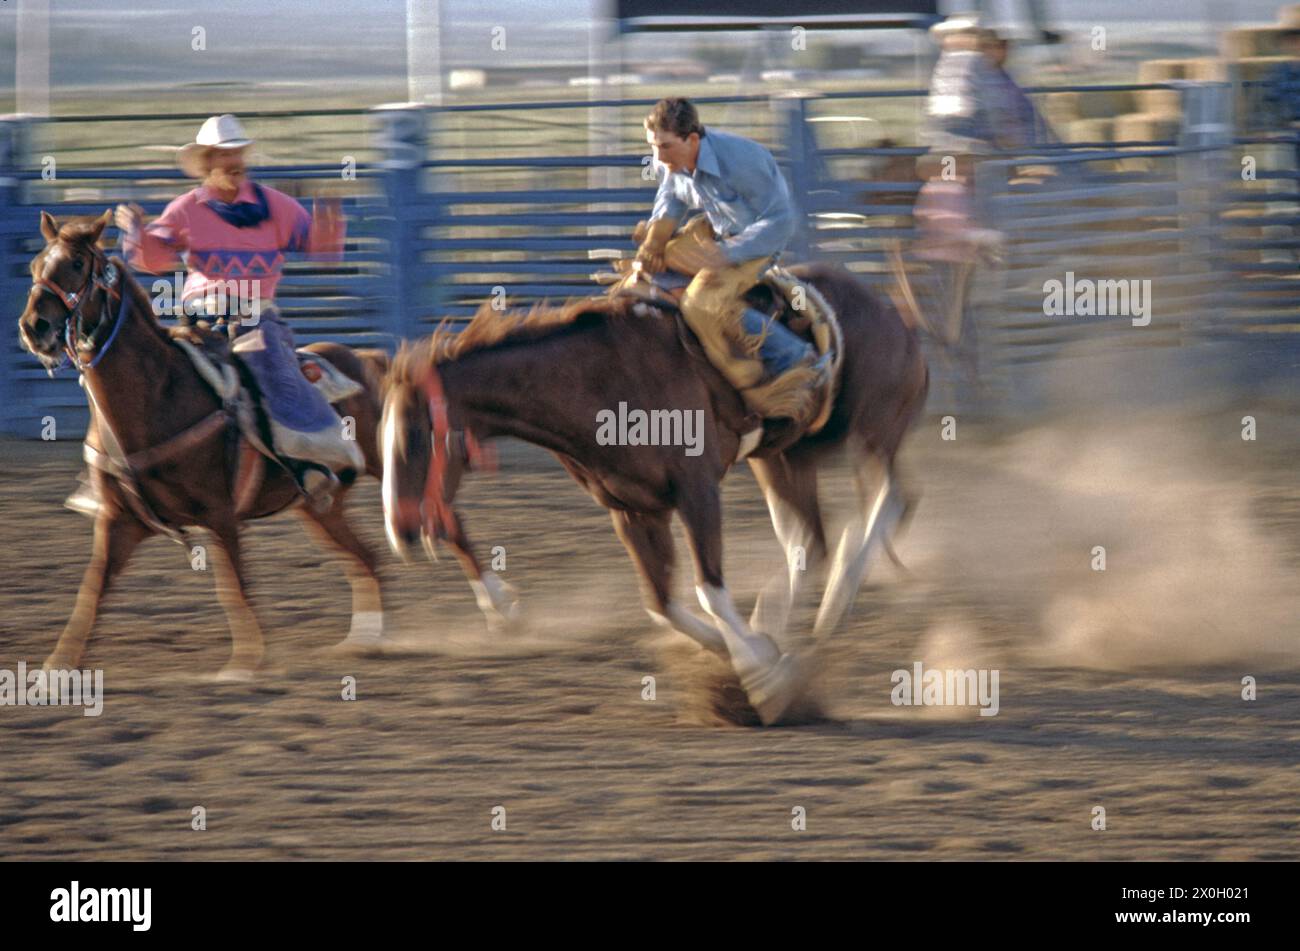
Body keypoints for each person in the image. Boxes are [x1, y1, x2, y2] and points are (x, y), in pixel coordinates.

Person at [68, 114, 359, 517]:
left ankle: (310, 458)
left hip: (255, 320)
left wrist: (330, 226)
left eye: (238, 153)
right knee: (136, 371)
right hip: (200, 322)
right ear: (207, 163)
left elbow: (323, 249)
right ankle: (107, 473)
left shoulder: (276, 206)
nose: (234, 161)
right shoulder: (187, 210)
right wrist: (137, 234)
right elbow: (154, 258)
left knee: (270, 369)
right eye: (224, 155)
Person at [635, 98, 829, 425]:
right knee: (639, 282)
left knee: (702, 302)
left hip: (757, 244)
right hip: (716, 236)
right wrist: (654, 242)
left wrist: (726, 254)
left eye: (665, 147)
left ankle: (796, 357)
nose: (658, 157)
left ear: (692, 139)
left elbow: (782, 221)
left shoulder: (742, 161)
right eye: (653, 147)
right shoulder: (671, 162)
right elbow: (671, 198)